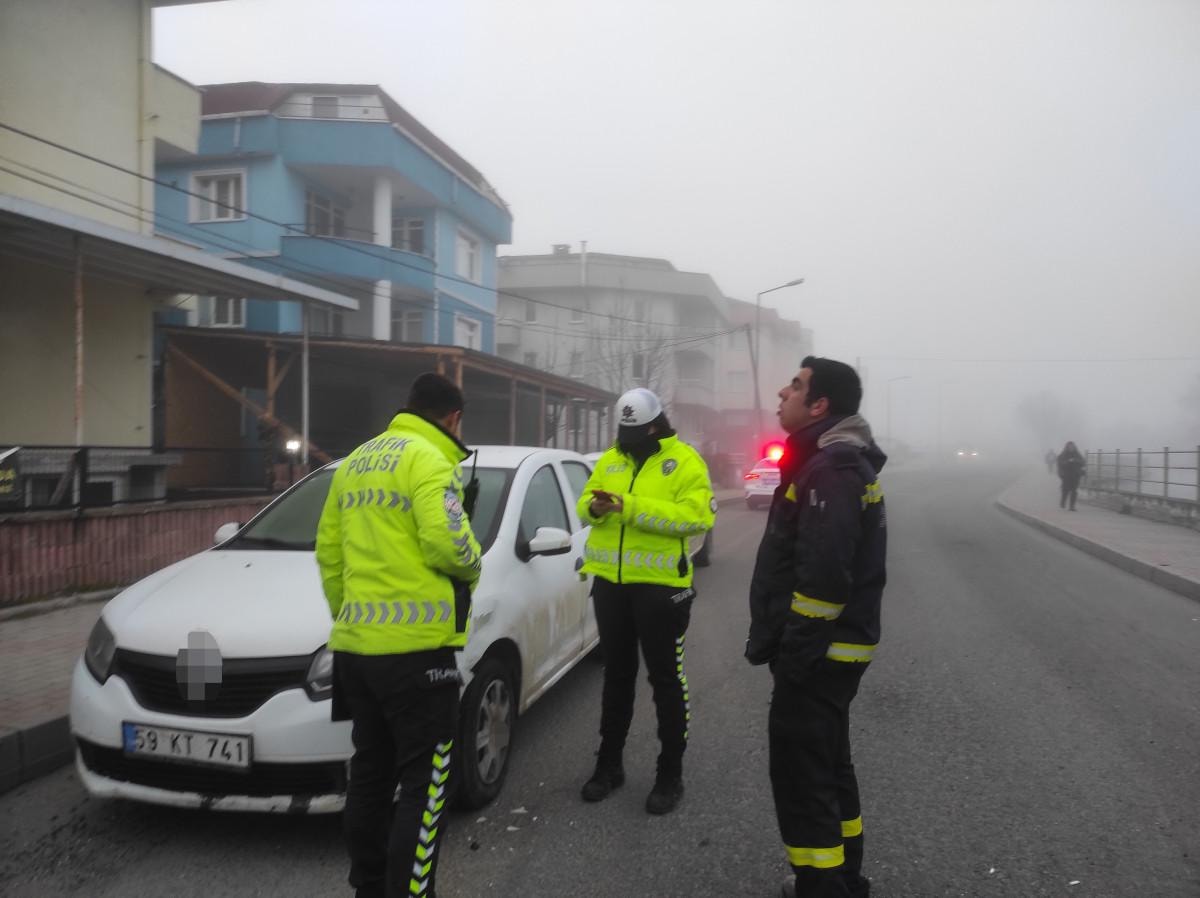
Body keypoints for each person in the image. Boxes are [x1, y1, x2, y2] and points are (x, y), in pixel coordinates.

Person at [315, 372, 482, 898]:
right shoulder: (429, 460)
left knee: (369, 775)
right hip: (417, 656)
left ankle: (368, 887)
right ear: (453, 418)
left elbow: (329, 554)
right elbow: (448, 544)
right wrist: (474, 562)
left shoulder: (355, 462)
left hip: (356, 652)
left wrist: (353, 617)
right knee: (426, 786)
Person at [745, 357, 887, 898]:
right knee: (828, 766)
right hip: (830, 656)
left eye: (796, 386)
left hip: (818, 658)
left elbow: (824, 581)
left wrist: (795, 657)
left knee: (803, 778)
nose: (784, 393)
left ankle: (821, 887)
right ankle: (845, 878)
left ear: (820, 404)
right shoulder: (829, 463)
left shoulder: (831, 469)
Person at [576, 387, 715, 815]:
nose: (626, 439)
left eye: (634, 432)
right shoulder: (611, 459)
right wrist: (595, 509)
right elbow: (584, 504)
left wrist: (629, 506)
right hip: (610, 586)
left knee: (666, 681)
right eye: (623, 431)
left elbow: (697, 517)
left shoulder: (685, 462)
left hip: (661, 590)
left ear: (655, 426)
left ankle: (670, 774)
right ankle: (609, 765)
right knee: (617, 677)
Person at [1057, 441, 1086, 511]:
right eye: (1069, 447)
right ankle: (1063, 501)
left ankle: (1072, 506)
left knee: (1074, 491)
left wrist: (1075, 460)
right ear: (1067, 447)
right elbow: (1060, 463)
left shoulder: (1077, 454)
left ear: (1074, 447)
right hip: (1066, 475)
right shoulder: (1063, 455)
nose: (1071, 448)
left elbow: (1083, 462)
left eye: (1072, 447)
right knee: (1065, 490)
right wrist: (1068, 461)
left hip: (1076, 475)